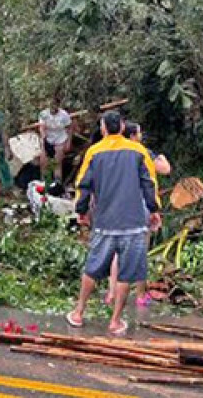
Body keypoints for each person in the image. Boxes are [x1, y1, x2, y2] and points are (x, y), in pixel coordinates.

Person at [67, 111, 161, 336]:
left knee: (93, 267)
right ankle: (115, 321)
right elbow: (150, 182)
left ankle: (79, 312)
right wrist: (154, 210)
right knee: (126, 274)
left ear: (102, 129)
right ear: (121, 127)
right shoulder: (138, 151)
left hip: (105, 221)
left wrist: (81, 211)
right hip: (134, 223)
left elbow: (83, 184)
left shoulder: (94, 151)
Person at [105, 121, 171, 308]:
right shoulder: (142, 152)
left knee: (117, 250)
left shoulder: (111, 152)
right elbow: (164, 169)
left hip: (117, 204)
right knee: (140, 249)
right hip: (140, 205)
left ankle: (111, 293)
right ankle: (141, 295)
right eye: (139, 133)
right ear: (133, 136)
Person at [38, 97, 72, 183]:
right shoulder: (43, 114)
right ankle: (44, 183)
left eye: (54, 105)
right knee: (44, 162)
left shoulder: (64, 115)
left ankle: (58, 183)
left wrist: (68, 142)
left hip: (60, 139)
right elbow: (41, 127)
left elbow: (69, 128)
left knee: (57, 163)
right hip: (47, 138)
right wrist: (44, 137)